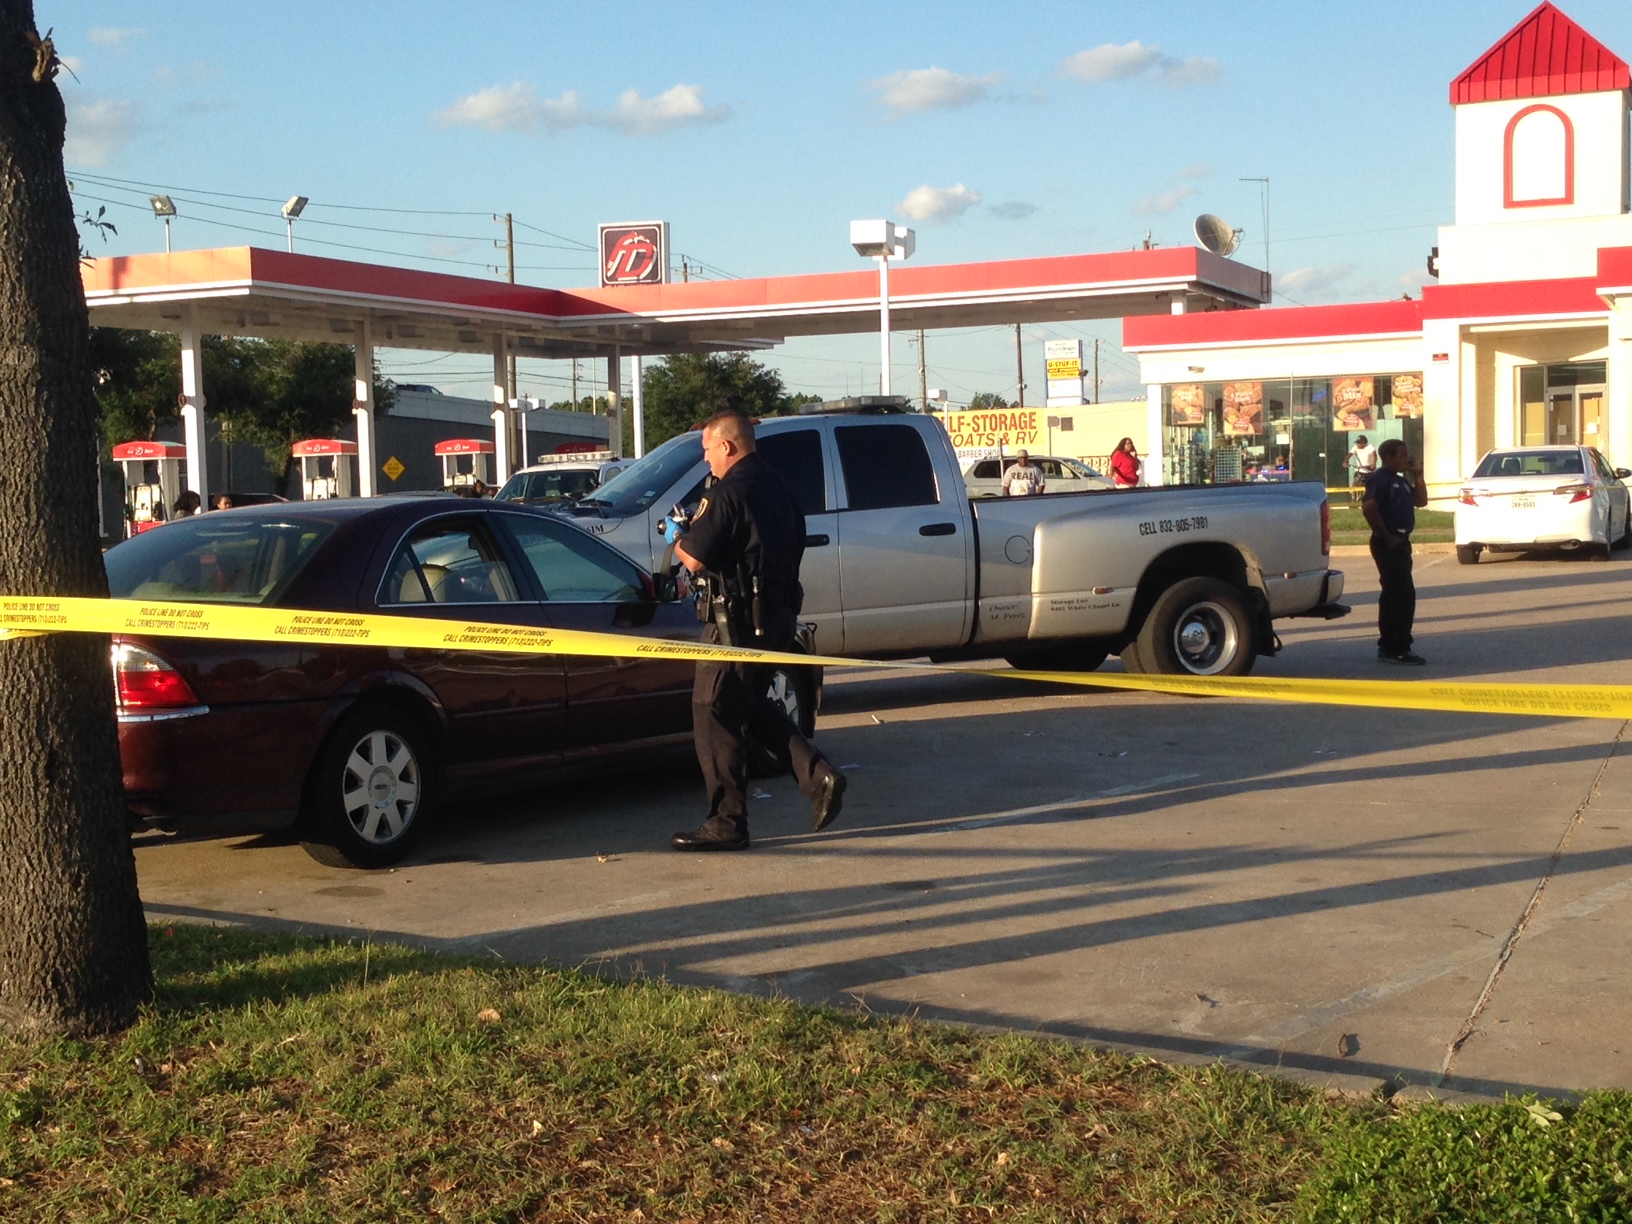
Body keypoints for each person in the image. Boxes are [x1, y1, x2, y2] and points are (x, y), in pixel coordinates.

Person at [664, 408, 847, 851]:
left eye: (708, 449)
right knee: (744, 705)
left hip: (738, 625)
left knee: (713, 711)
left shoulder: (729, 492)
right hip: (780, 617)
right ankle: (817, 775)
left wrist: (677, 533)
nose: (706, 459)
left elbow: (694, 556)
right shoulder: (780, 485)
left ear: (727, 446)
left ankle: (726, 823)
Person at [1362, 438, 1429, 665]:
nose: (1405, 459)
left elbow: (1421, 501)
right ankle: (1398, 648)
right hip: (1388, 542)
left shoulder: (1399, 481)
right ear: (1388, 457)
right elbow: (1369, 507)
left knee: (1393, 594)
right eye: (1401, 456)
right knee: (1401, 596)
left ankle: (1389, 644)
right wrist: (1386, 535)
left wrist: (1417, 474)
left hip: (1401, 542)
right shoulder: (1380, 480)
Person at [1350, 435, 1378, 500]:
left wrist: (1373, 464)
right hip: (1359, 470)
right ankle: (1353, 499)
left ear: (1364, 443)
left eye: (1359, 443)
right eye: (1357, 443)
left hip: (1369, 470)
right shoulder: (1355, 447)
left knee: (1371, 486)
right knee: (1355, 484)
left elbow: (1374, 455)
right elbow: (1350, 454)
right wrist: (1345, 461)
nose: (1358, 444)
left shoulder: (1369, 447)